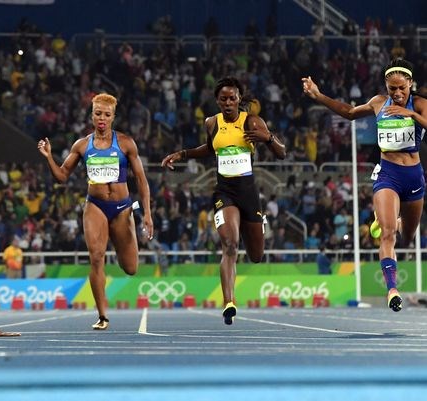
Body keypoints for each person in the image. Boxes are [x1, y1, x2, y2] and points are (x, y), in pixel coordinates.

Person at [302, 58, 427, 312]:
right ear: (386, 86)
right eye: (393, 88)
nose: (398, 93)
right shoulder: (379, 103)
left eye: (402, 88)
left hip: (414, 177)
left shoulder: (421, 104)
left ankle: (397, 222)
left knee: (406, 238)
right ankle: (392, 289)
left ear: (410, 84)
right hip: (388, 175)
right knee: (389, 234)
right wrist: (319, 96)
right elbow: (349, 113)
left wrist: (411, 114)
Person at [161, 76, 286, 325]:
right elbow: (210, 148)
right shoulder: (212, 123)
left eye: (232, 98)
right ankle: (229, 301)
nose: (228, 102)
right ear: (217, 101)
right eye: (223, 99)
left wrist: (267, 139)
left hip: (249, 193)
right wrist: (182, 153)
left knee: (256, 255)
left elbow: (282, 153)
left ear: (239, 99)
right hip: (224, 191)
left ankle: (254, 226)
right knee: (229, 244)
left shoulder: (251, 120)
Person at [37, 93, 154, 330]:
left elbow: (141, 180)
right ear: (92, 115)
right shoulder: (82, 146)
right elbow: (61, 176)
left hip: (122, 208)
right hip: (95, 206)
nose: (102, 118)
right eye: (98, 114)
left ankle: (126, 234)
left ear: (113, 117)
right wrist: (49, 157)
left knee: (130, 268)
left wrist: (147, 214)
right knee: (97, 257)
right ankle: (103, 316)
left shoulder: (126, 143)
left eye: (107, 115)